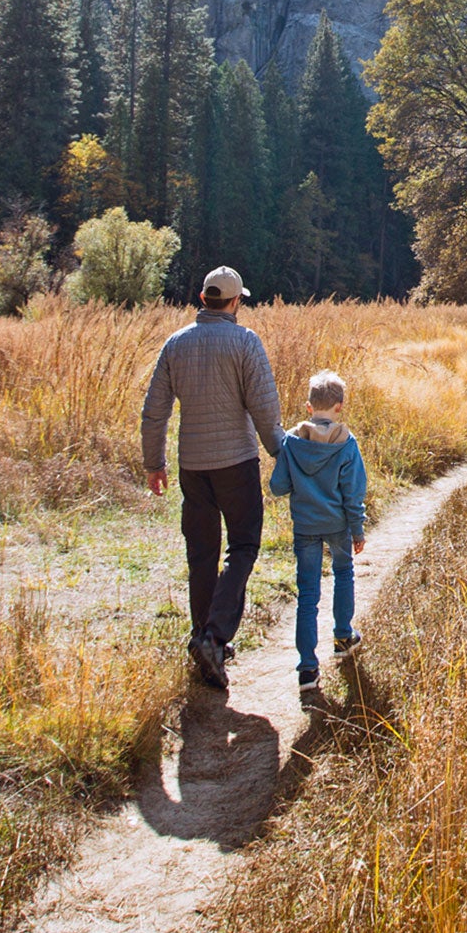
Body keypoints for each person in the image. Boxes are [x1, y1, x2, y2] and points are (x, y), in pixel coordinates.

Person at [142, 265, 284, 691]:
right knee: (243, 545)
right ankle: (214, 636)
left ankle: (202, 638)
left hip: (192, 466)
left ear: (204, 299)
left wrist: (154, 463)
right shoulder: (245, 341)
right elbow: (264, 408)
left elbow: (154, 411)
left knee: (201, 552)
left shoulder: (176, 344)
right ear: (236, 301)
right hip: (237, 463)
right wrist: (283, 454)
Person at [268, 368, 368, 688]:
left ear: (309, 407)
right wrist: (357, 530)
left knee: (307, 593)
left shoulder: (291, 443)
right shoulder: (347, 445)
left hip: (305, 527)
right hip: (338, 526)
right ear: (340, 407)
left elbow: (278, 487)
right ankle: (342, 638)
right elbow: (353, 494)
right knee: (343, 574)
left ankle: (307, 668)